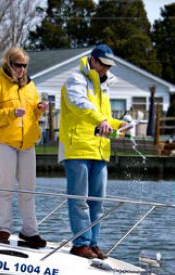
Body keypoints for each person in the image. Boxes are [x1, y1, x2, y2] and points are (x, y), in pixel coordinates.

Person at [58, 44, 128, 259]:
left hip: (99, 150)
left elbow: (103, 116)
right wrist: (103, 120)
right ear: (93, 60)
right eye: (103, 64)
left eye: (109, 66)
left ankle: (93, 244)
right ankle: (81, 244)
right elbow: (81, 105)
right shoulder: (76, 80)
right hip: (77, 148)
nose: (106, 69)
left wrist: (121, 125)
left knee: (97, 202)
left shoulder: (104, 87)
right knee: (79, 200)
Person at [0, 47, 47, 247]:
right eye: (18, 65)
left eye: (25, 65)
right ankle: (3, 230)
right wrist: (10, 113)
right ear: (9, 63)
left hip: (27, 144)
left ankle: (29, 232)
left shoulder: (30, 86)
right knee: (6, 187)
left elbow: (32, 115)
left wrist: (39, 110)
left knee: (28, 190)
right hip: (4, 143)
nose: (22, 69)